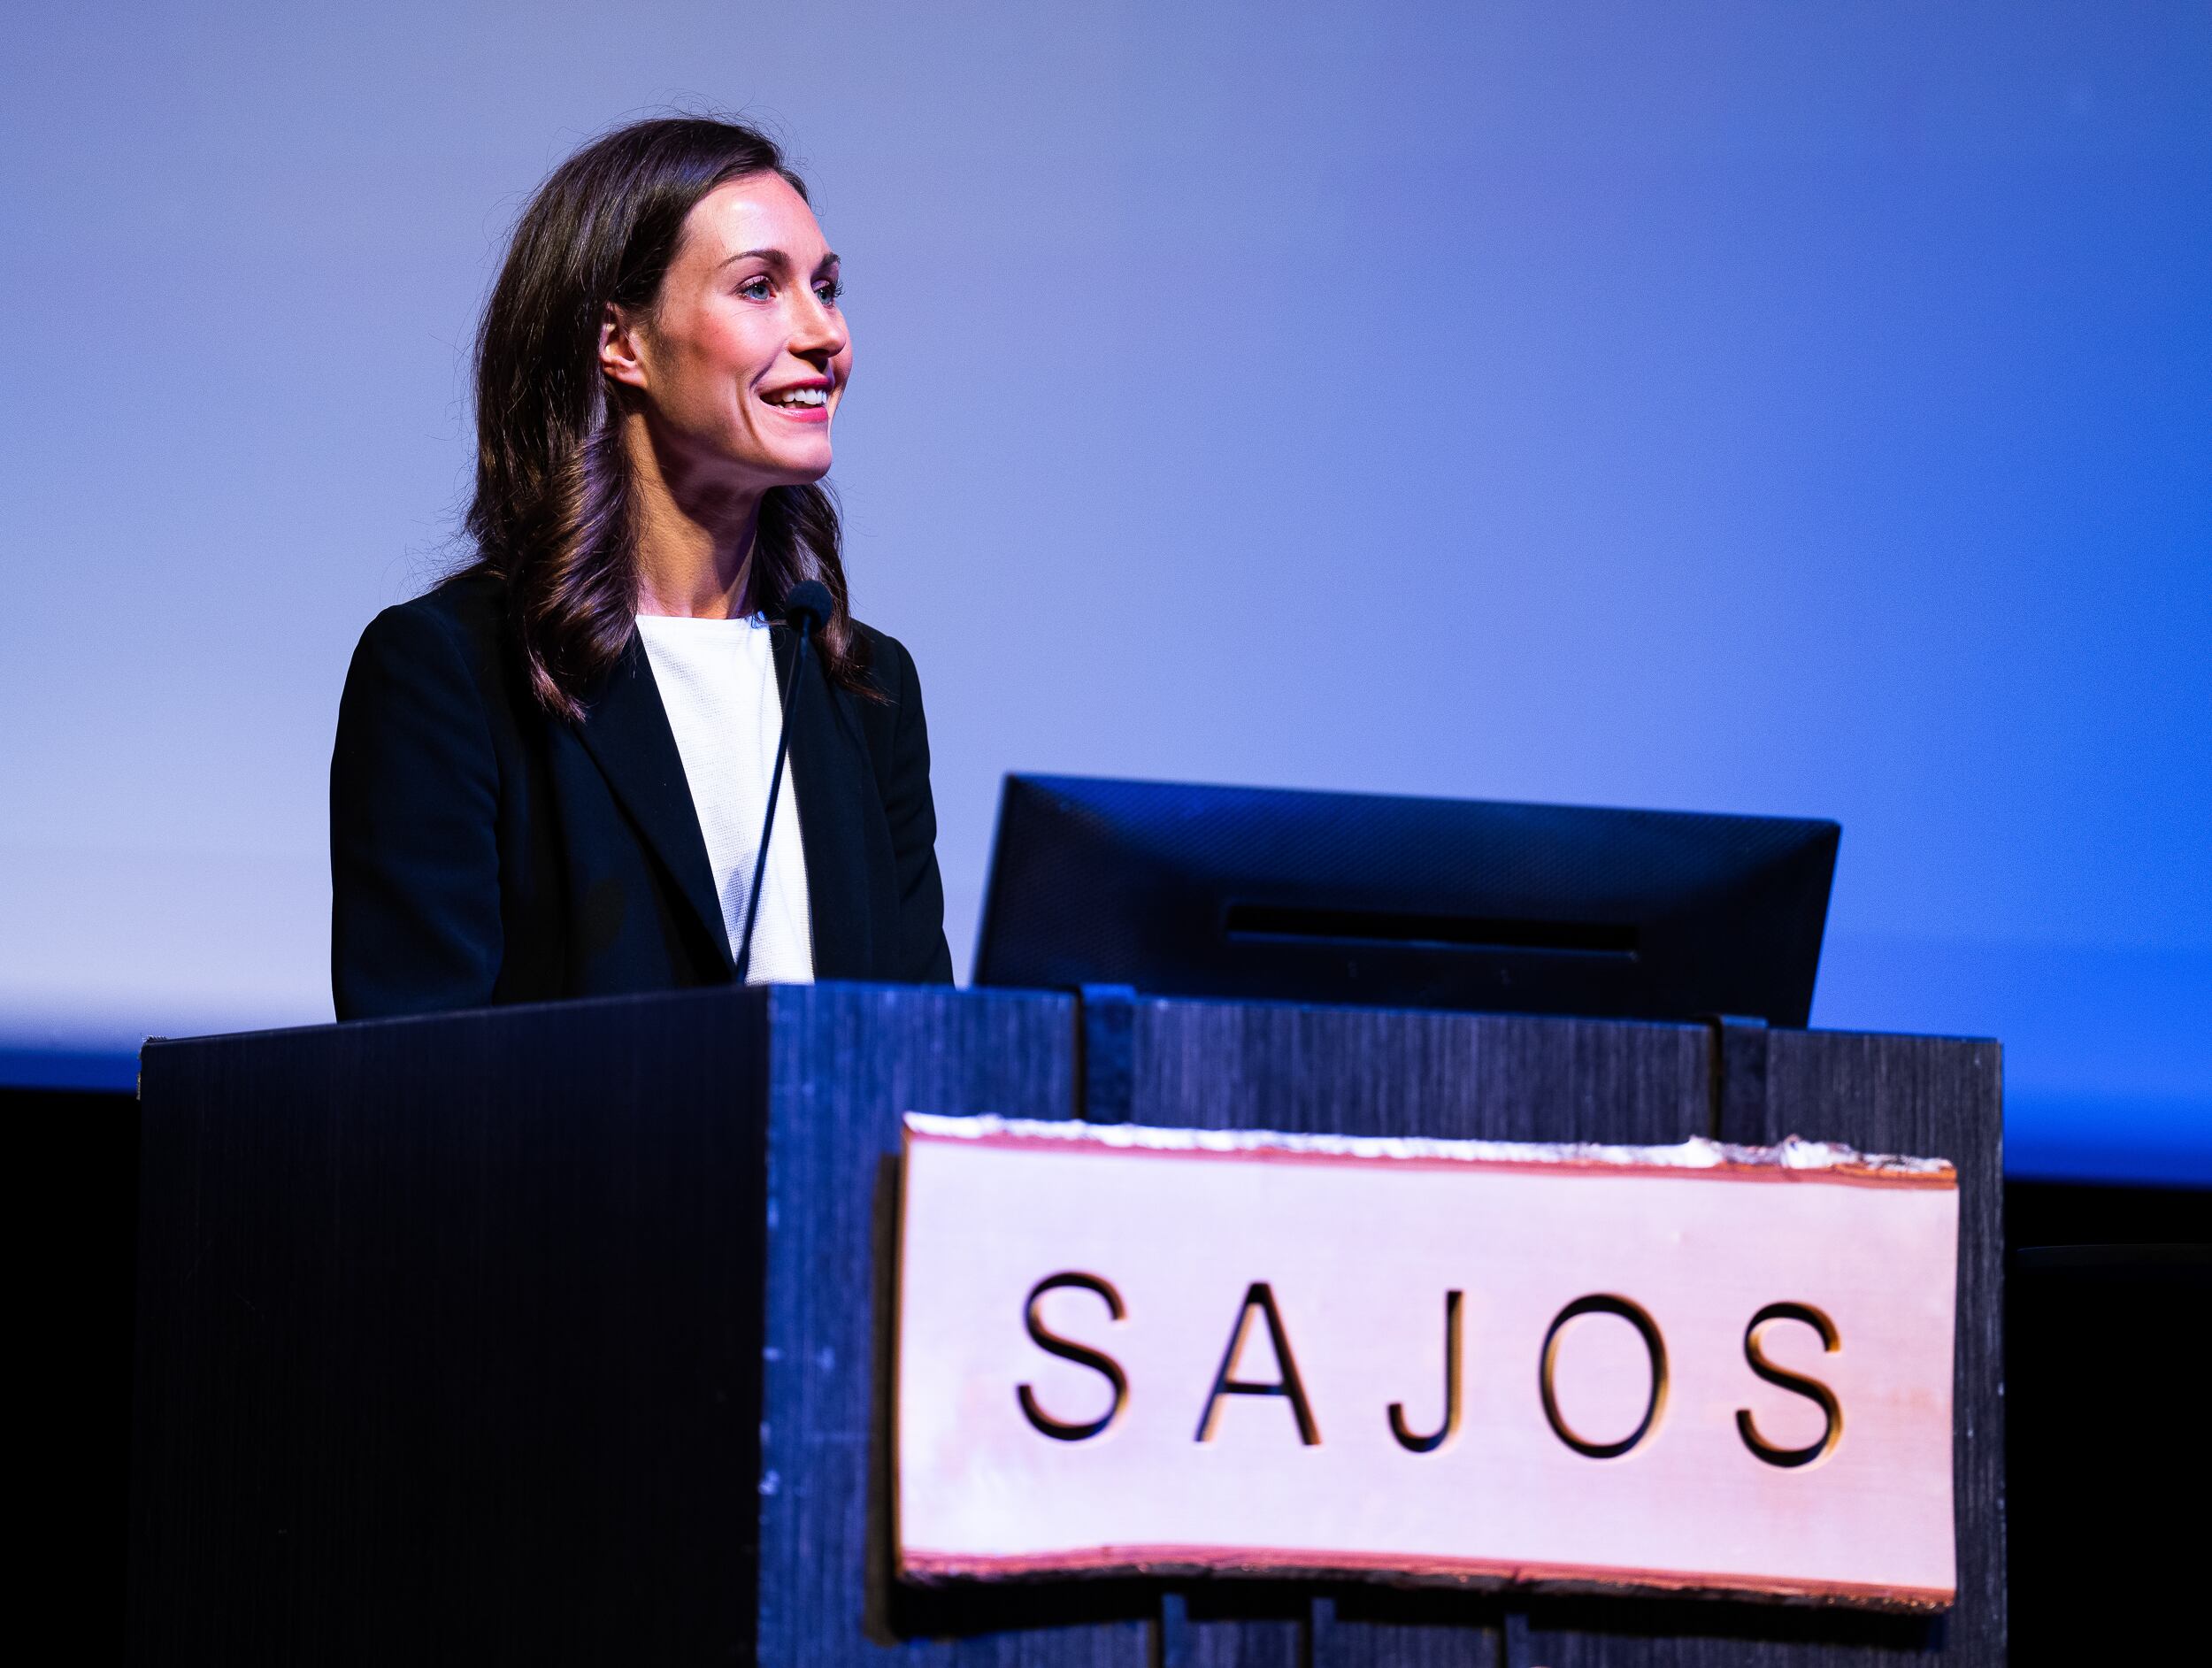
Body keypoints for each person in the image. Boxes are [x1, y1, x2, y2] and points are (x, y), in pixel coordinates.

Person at [329, 118, 954, 1020]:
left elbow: (921, 1053)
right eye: (759, 288)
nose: (825, 333)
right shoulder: (454, 675)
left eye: (826, 288)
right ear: (620, 342)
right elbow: (414, 1084)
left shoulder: (862, 687)